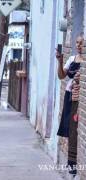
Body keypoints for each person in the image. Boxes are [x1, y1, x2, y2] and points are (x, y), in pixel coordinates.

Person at [56, 35, 84, 175]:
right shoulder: (72, 59)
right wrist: (60, 61)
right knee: (71, 129)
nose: (79, 46)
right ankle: (72, 165)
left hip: (80, 99)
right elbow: (61, 76)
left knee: (77, 129)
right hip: (70, 97)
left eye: (81, 43)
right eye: (77, 43)